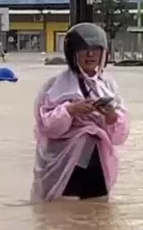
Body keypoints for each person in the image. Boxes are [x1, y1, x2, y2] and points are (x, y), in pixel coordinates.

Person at [31, 23, 130, 202]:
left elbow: (119, 134)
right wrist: (70, 110)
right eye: (84, 50)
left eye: (95, 49)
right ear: (73, 53)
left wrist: (111, 116)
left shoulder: (108, 85)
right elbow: (48, 127)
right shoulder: (55, 85)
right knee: (63, 211)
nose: (91, 55)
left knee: (97, 210)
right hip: (64, 162)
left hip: (97, 159)